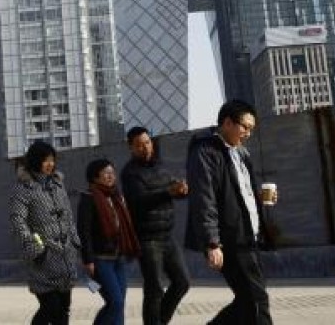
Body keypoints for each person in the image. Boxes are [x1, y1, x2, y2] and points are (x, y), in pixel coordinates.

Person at [186, 100, 273, 325]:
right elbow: (204, 199)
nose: (248, 133)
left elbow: (239, 194)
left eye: (251, 129)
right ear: (227, 123)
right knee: (256, 300)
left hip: (248, 236)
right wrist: (212, 242)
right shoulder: (205, 151)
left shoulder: (241, 153)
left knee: (247, 300)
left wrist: (259, 198)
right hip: (229, 240)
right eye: (244, 127)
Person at [122, 127, 191, 325]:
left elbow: (171, 187)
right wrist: (168, 192)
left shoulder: (160, 166)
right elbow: (138, 201)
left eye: (147, 142)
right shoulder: (130, 173)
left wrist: (182, 190)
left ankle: (159, 320)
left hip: (167, 236)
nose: (145, 148)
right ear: (131, 148)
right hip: (147, 239)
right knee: (154, 289)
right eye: (139, 145)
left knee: (182, 282)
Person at [8, 140, 81, 325]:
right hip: (44, 258)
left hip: (65, 254)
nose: (50, 164)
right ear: (35, 161)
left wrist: (75, 241)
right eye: (45, 160)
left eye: (52, 160)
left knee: (64, 309)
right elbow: (18, 220)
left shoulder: (57, 184)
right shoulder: (23, 188)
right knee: (51, 308)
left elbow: (68, 216)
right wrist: (36, 247)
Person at [77, 158, 140, 325]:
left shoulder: (117, 196)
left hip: (118, 257)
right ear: (95, 177)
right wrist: (88, 260)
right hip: (100, 260)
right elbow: (84, 232)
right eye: (106, 173)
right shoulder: (89, 198)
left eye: (112, 172)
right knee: (115, 302)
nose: (111, 176)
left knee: (118, 304)